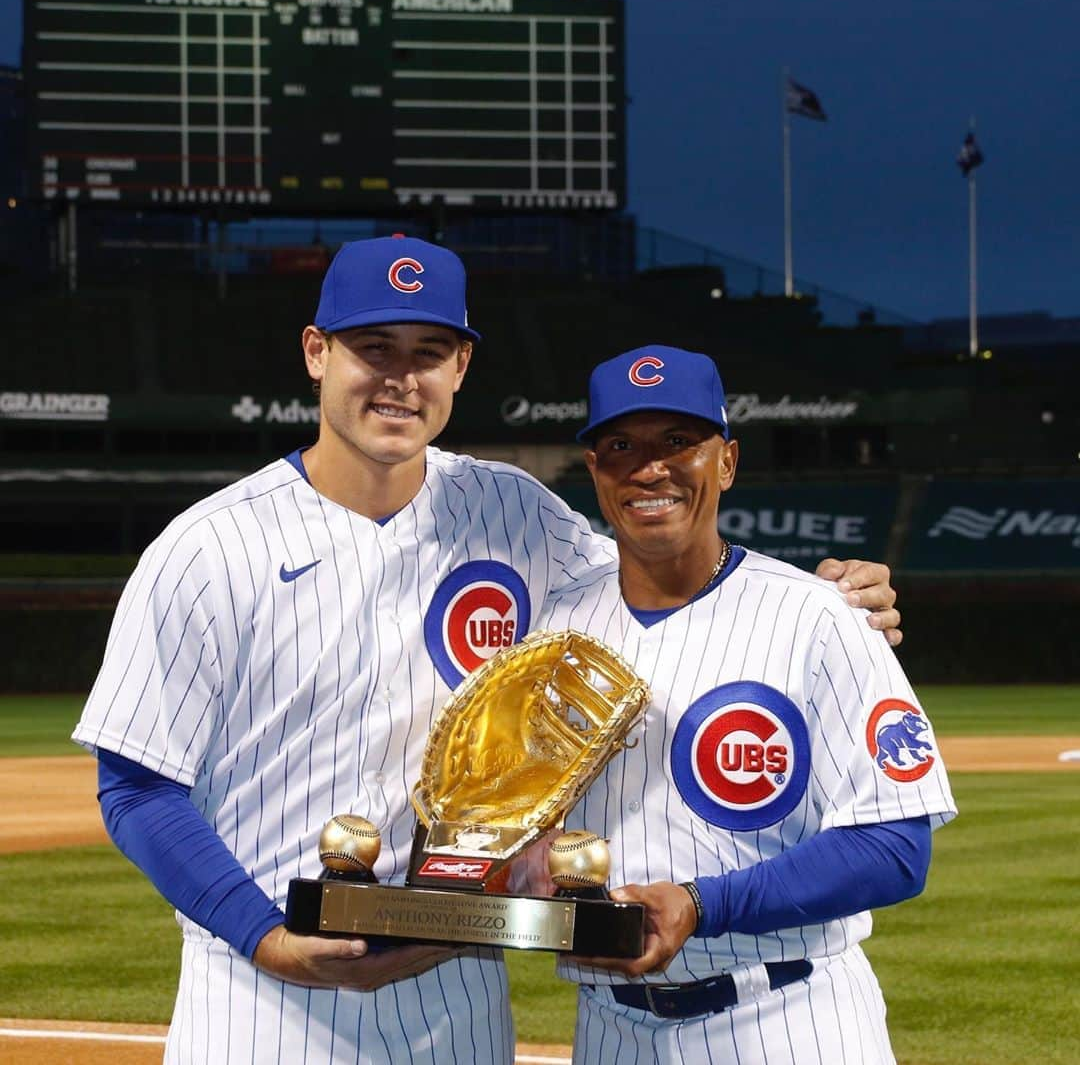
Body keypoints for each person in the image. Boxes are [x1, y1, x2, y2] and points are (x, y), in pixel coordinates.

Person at [73, 240, 904, 1064]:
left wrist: (822, 594)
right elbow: (139, 788)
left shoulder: (514, 512)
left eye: (429, 352)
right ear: (316, 353)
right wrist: (264, 938)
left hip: (457, 995)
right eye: (373, 348)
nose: (401, 377)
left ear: (462, 366)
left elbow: (664, 572)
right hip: (262, 1002)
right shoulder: (208, 547)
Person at [532, 344, 958, 1064]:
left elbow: (895, 845)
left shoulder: (820, 615)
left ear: (726, 461)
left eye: (678, 441)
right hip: (608, 1029)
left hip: (786, 1018)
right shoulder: (552, 632)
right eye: (620, 445)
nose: (649, 467)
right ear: (596, 471)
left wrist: (702, 904)